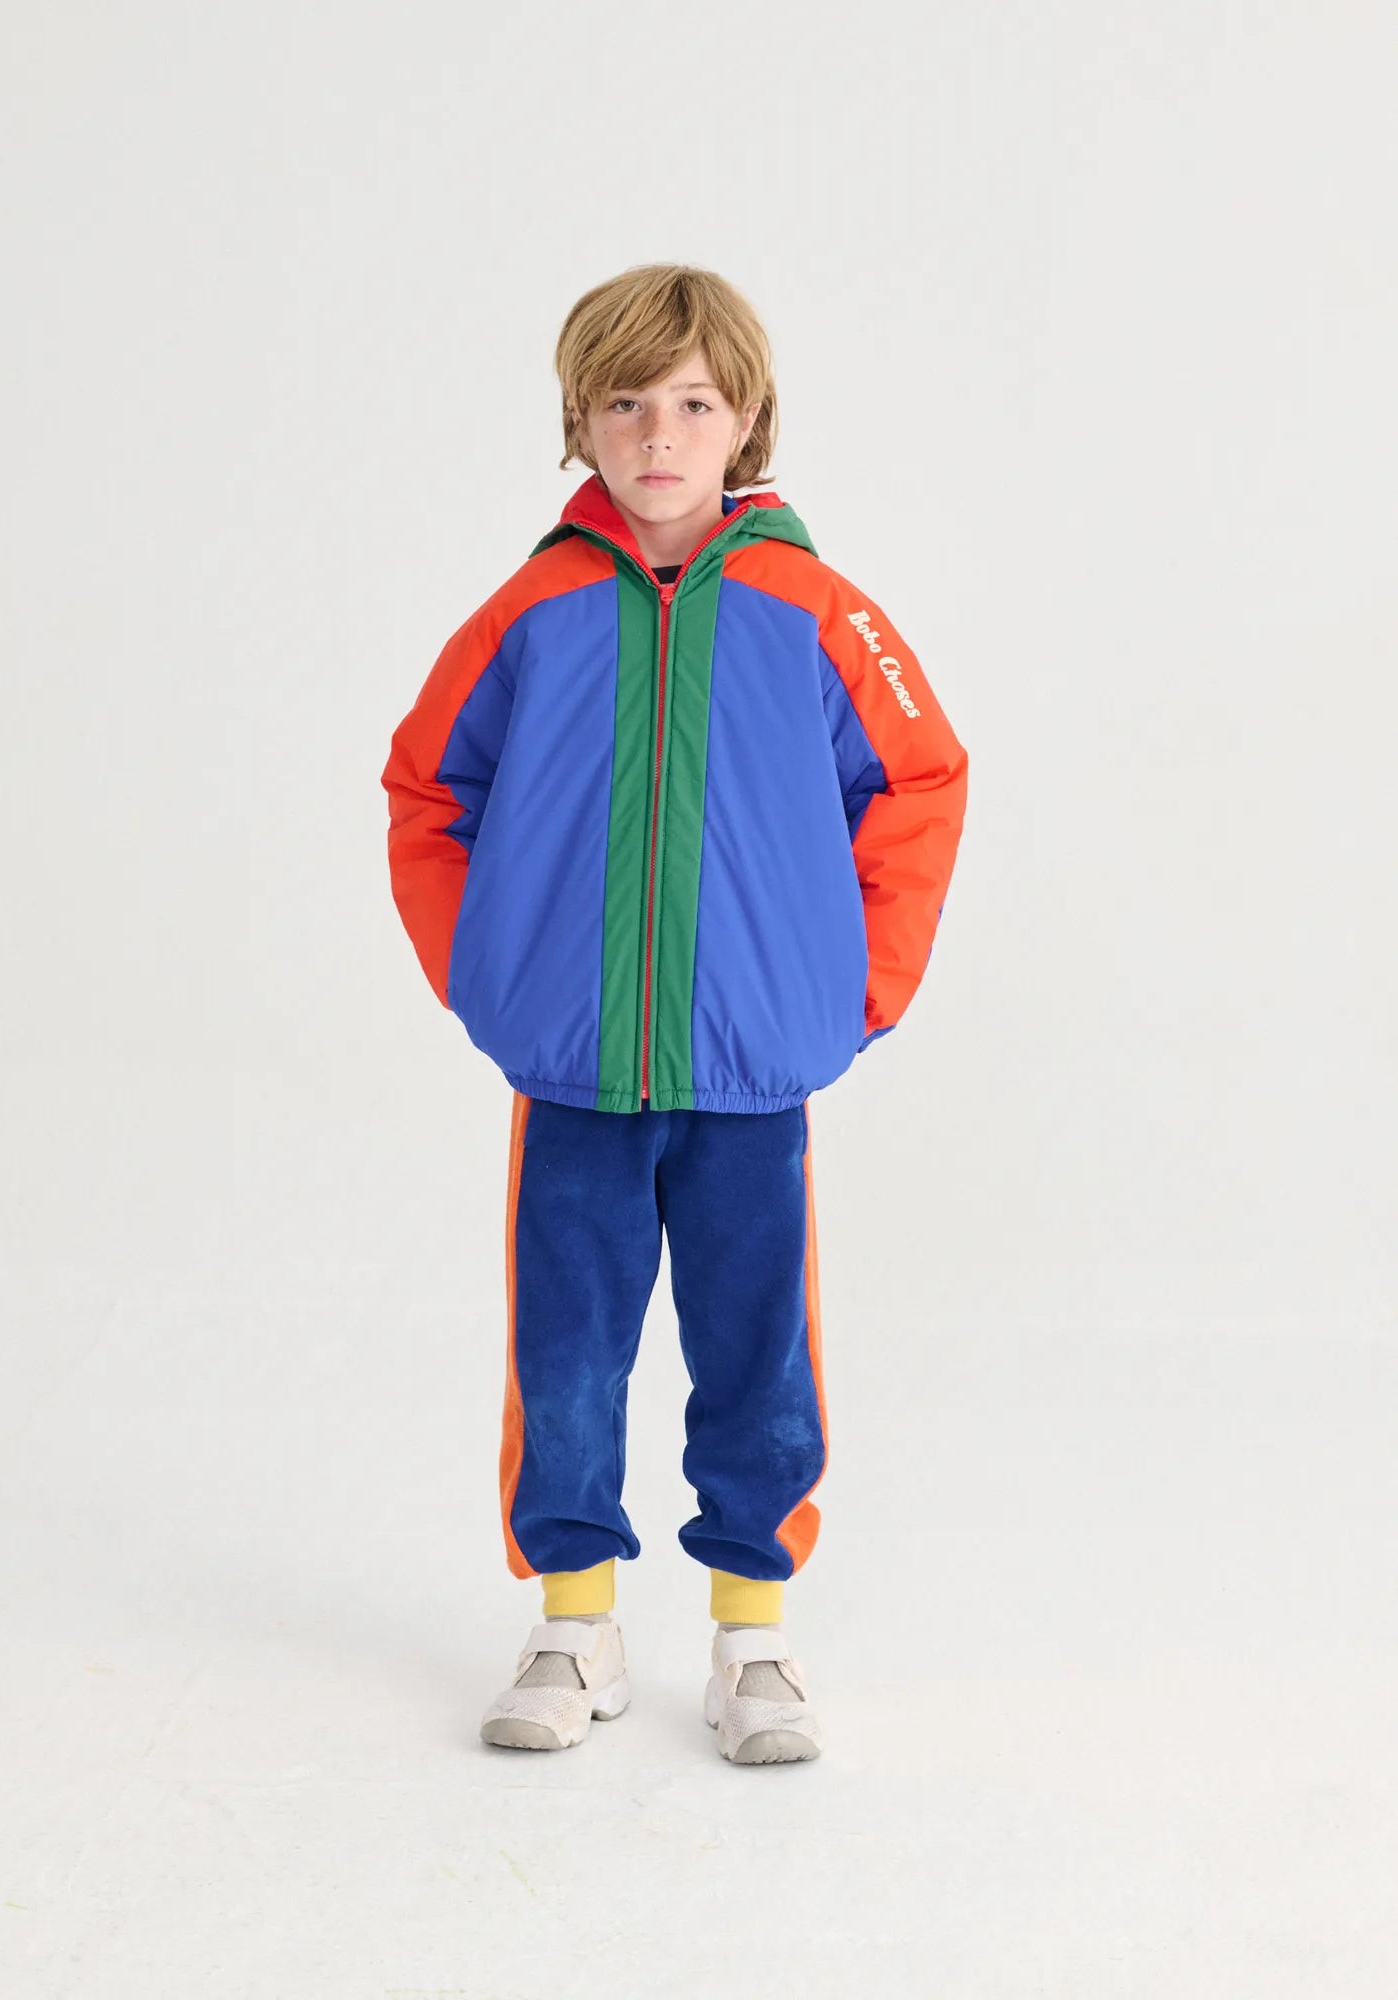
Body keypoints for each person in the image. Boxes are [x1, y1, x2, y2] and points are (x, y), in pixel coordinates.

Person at [380, 263, 968, 1763]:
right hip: (574, 1073)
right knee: (567, 1354)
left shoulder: (816, 611)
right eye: (627, 400)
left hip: (753, 1077)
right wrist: (491, 972)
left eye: (695, 403)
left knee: (759, 1354)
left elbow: (919, 780)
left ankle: (752, 1638)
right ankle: (574, 1624)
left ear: (747, 419)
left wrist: (860, 987)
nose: (660, 433)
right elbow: (428, 788)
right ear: (579, 420)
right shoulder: (532, 612)